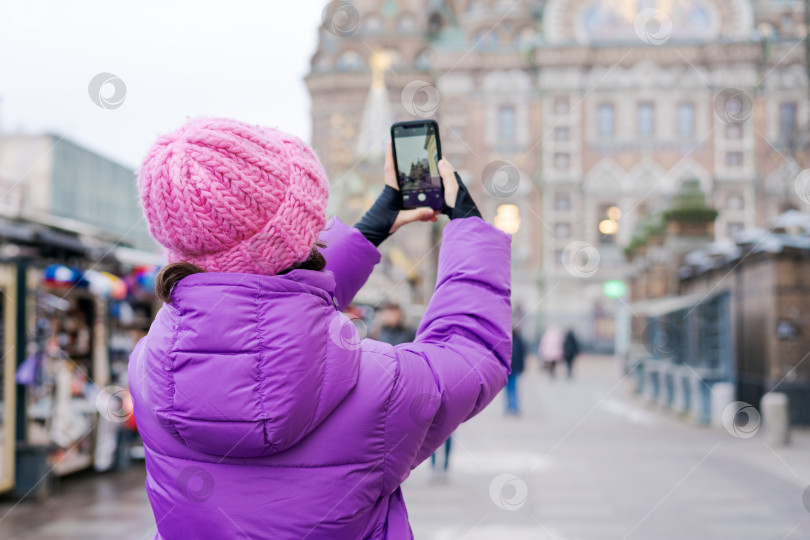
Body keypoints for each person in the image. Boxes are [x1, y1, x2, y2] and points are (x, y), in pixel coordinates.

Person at [129, 117, 512, 539]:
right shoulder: (381, 384)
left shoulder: (147, 369)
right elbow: (473, 352)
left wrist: (368, 231)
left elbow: (253, 308)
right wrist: (470, 231)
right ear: (299, 236)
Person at [505, 325, 526, 415]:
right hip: (511, 369)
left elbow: (522, 356)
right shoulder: (519, 341)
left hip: (510, 369)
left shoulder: (507, 341)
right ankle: (511, 407)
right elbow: (522, 357)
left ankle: (513, 407)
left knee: (511, 389)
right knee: (511, 389)